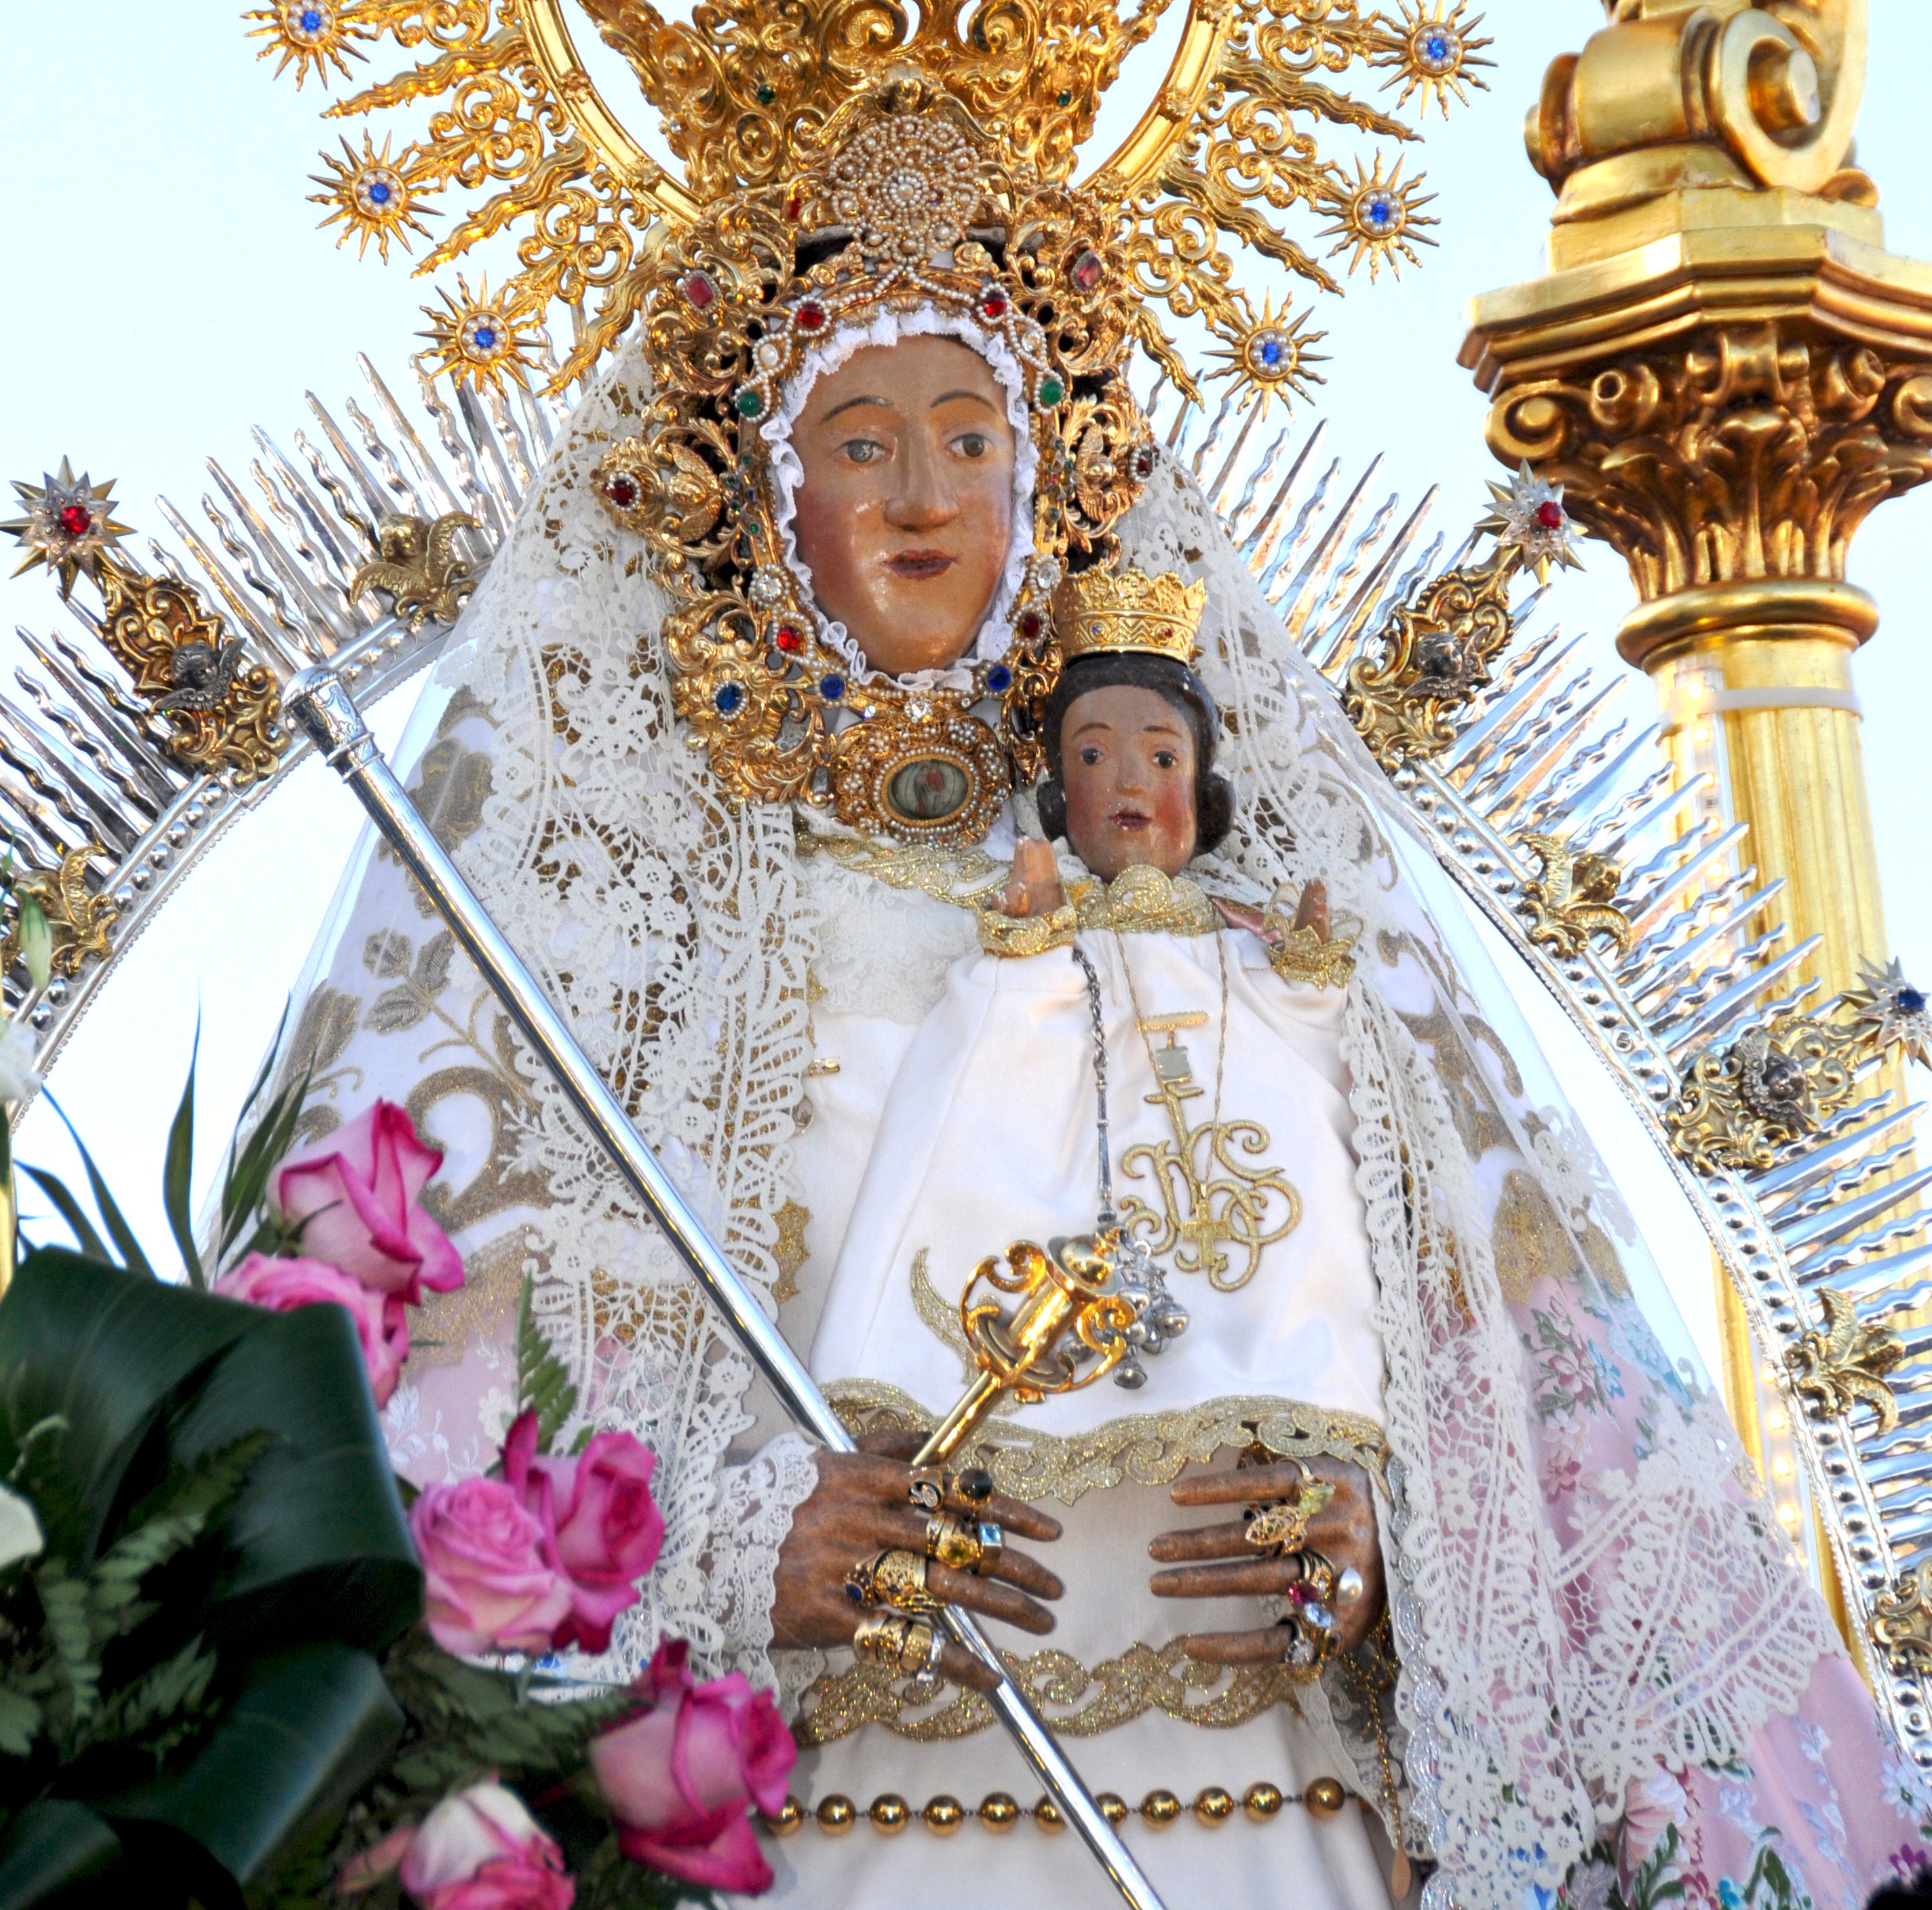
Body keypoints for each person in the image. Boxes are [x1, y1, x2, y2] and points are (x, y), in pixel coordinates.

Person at [274, 111, 1927, 1910]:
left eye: (969, 440)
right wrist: (746, 1546)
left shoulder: (1255, 927)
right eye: (858, 441)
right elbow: (448, 1419)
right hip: (833, 1811)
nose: (919, 493)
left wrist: (1375, 1556)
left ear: (1046, 493)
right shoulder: (632, 925)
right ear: (758, 501)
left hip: (1254, 1812)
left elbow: (1491, 1376)